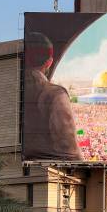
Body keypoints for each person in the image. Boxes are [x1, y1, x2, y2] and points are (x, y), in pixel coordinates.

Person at [23, 32, 82, 161]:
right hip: (50, 171)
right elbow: (67, 146)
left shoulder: (11, 88)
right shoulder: (55, 94)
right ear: (49, 62)